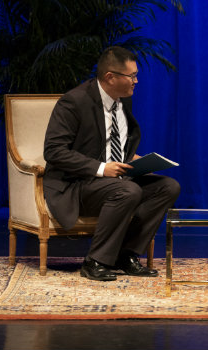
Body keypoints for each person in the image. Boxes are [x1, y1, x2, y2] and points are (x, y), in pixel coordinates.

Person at [43, 46, 180, 281]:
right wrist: (101, 168)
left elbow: (112, 143)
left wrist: (134, 160)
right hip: (78, 184)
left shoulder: (123, 100)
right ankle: (95, 261)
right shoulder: (74, 102)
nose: (136, 81)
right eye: (132, 76)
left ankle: (125, 255)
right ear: (110, 77)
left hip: (115, 182)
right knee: (128, 190)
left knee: (168, 187)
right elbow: (54, 152)